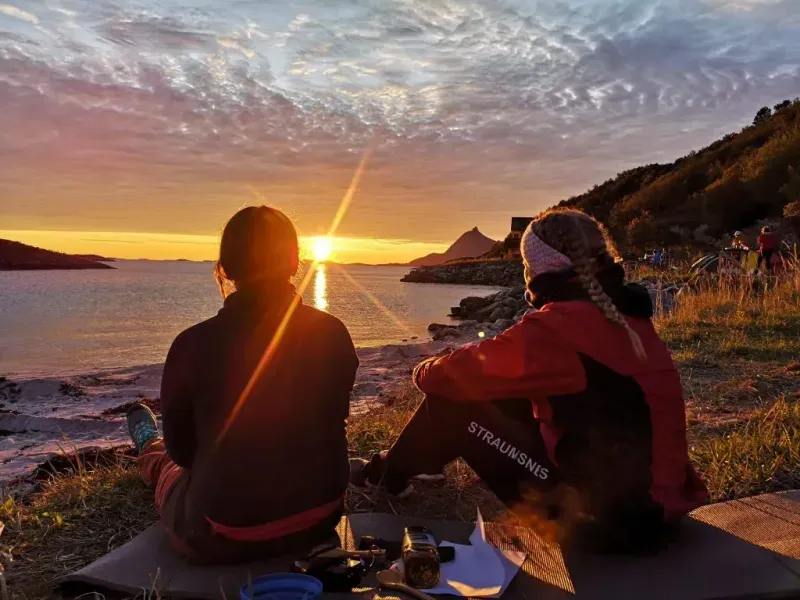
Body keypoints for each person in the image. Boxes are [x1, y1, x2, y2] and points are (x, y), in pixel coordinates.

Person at [351, 208, 708, 555]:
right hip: (658, 512)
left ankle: (384, 475)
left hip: (606, 528)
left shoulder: (560, 327)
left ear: (539, 269)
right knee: (502, 392)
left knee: (453, 404)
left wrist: (423, 367)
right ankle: (417, 465)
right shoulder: (625, 313)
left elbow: (447, 375)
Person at [126, 206, 358, 563]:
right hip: (321, 517)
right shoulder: (334, 332)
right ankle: (149, 445)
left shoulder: (191, 344)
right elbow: (333, 420)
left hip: (222, 533)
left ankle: (147, 446)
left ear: (226, 268)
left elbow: (183, 453)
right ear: (294, 261)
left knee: (167, 466)